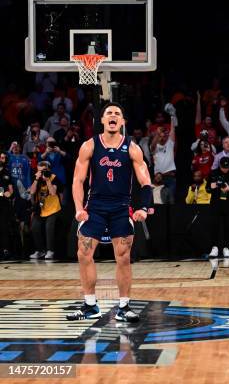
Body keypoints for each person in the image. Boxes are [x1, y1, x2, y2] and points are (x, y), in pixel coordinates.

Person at [67, 102, 152, 323]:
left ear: (122, 122)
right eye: (109, 113)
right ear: (102, 121)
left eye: (117, 114)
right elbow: (78, 180)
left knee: (123, 257)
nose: (113, 116)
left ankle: (124, 307)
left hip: (121, 208)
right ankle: (90, 305)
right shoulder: (90, 146)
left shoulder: (132, 148)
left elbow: (145, 182)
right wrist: (78, 209)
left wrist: (143, 207)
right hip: (95, 206)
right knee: (83, 253)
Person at [206, 156, 229, 258]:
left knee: (228, 226)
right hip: (216, 203)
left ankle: (226, 248)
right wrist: (215, 186)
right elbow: (208, 188)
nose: (225, 169)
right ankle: (214, 248)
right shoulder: (213, 174)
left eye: (227, 167)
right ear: (220, 166)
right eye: (223, 167)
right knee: (214, 226)